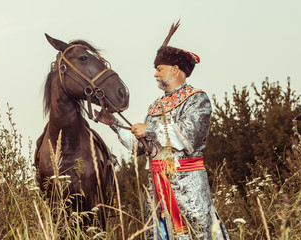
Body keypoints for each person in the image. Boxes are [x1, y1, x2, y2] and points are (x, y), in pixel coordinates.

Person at [96, 23, 230, 239]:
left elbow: (188, 138)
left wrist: (149, 129)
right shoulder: (155, 106)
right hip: (157, 190)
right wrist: (112, 123)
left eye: (159, 69)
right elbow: (140, 147)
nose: (155, 75)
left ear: (175, 70)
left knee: (197, 232)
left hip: (188, 188)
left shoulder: (197, 99)